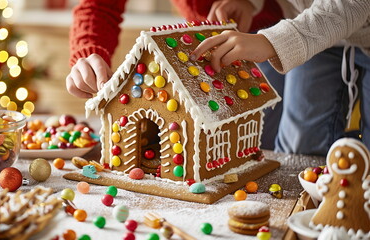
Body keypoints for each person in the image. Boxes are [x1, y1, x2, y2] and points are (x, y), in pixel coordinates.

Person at [67, 0, 284, 149]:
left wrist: (254, 2)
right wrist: (88, 51)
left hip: (289, 25)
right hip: (201, 38)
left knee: (286, 139)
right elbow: (100, 7)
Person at [191, 1, 370, 155]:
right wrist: (250, 2)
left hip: (315, 27)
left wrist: (270, 42)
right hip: (311, 29)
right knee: (299, 144)